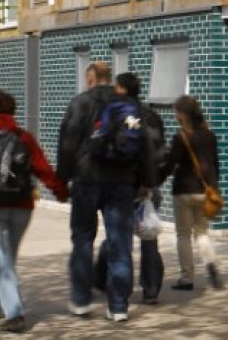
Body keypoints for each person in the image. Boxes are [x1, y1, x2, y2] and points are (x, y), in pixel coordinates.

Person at [0, 89, 69, 334]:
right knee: (7, 259)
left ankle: (15, 315)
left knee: (2, 260)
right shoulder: (24, 137)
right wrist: (60, 191)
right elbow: (43, 168)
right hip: (21, 206)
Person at [56, 61, 156, 322]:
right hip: (122, 181)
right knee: (120, 244)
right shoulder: (130, 107)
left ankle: (80, 300)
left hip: (86, 180)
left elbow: (67, 142)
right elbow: (145, 146)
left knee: (82, 239)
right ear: (110, 79)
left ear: (90, 79)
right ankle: (119, 306)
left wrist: (61, 179)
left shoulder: (80, 103)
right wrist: (146, 181)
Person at [94, 72, 166, 305]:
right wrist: (152, 182)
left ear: (122, 90)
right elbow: (159, 153)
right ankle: (151, 290)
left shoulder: (117, 116)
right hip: (149, 186)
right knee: (148, 237)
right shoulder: (153, 117)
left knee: (118, 239)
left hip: (123, 184)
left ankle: (116, 289)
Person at [158, 94, 223, 291]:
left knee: (183, 235)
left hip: (184, 191)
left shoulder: (181, 137)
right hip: (204, 191)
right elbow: (215, 164)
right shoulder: (209, 135)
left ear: (182, 114)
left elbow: (170, 165)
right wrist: (214, 187)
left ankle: (186, 278)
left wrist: (155, 179)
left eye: (176, 111)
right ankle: (210, 261)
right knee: (201, 232)